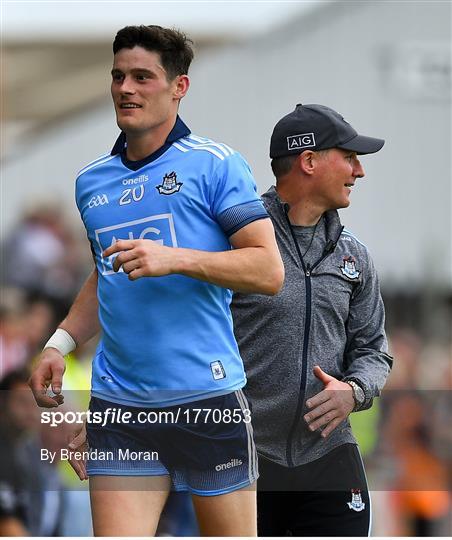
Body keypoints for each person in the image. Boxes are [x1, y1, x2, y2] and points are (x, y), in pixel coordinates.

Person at [29, 25, 284, 537]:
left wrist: (176, 258)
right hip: (120, 404)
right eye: (118, 76)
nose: (126, 88)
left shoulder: (215, 165)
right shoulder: (91, 182)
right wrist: (60, 342)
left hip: (207, 400)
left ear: (178, 87)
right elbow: (106, 276)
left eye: (143, 77)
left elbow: (267, 270)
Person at [231, 103, 393, 536]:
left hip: (330, 456)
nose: (359, 171)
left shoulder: (353, 255)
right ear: (309, 161)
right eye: (350, 157)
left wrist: (354, 391)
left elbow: (374, 349)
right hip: (243, 457)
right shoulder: (237, 242)